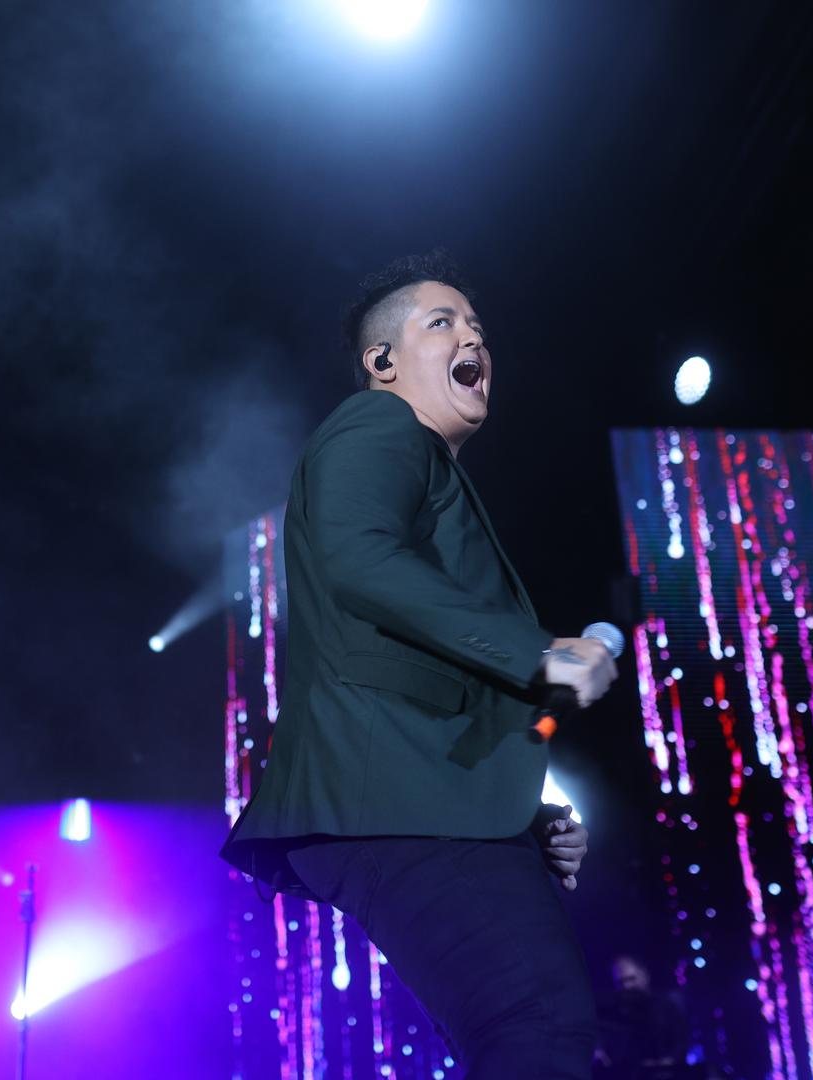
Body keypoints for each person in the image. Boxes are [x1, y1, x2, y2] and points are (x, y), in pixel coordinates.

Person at [220, 249, 618, 1077]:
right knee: (538, 1025)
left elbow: (428, 664)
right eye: (442, 323)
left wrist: (524, 816)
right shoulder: (378, 423)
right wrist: (538, 650)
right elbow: (359, 560)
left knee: (530, 1029)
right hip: (394, 801)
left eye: (476, 326)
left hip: (421, 800)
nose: (472, 337)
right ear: (383, 362)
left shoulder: (425, 468)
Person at [594, 954, 691, 1079]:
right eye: (621, 982)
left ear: (645, 975)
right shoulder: (611, 1015)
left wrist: (667, 1062)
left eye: (631, 979)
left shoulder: (667, 1007)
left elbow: (681, 1043)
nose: (627, 986)